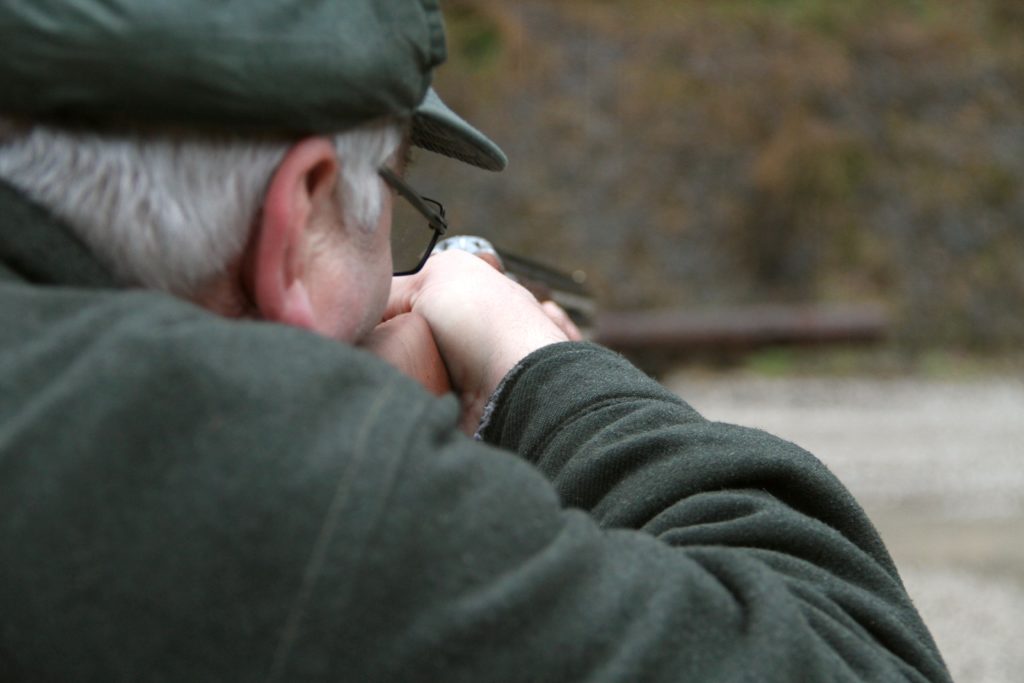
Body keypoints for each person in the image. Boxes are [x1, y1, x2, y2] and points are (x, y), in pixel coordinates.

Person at [0, 1, 950, 681]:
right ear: (303, 211)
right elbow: (855, 654)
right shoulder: (248, 465)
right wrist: (536, 365)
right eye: (396, 200)